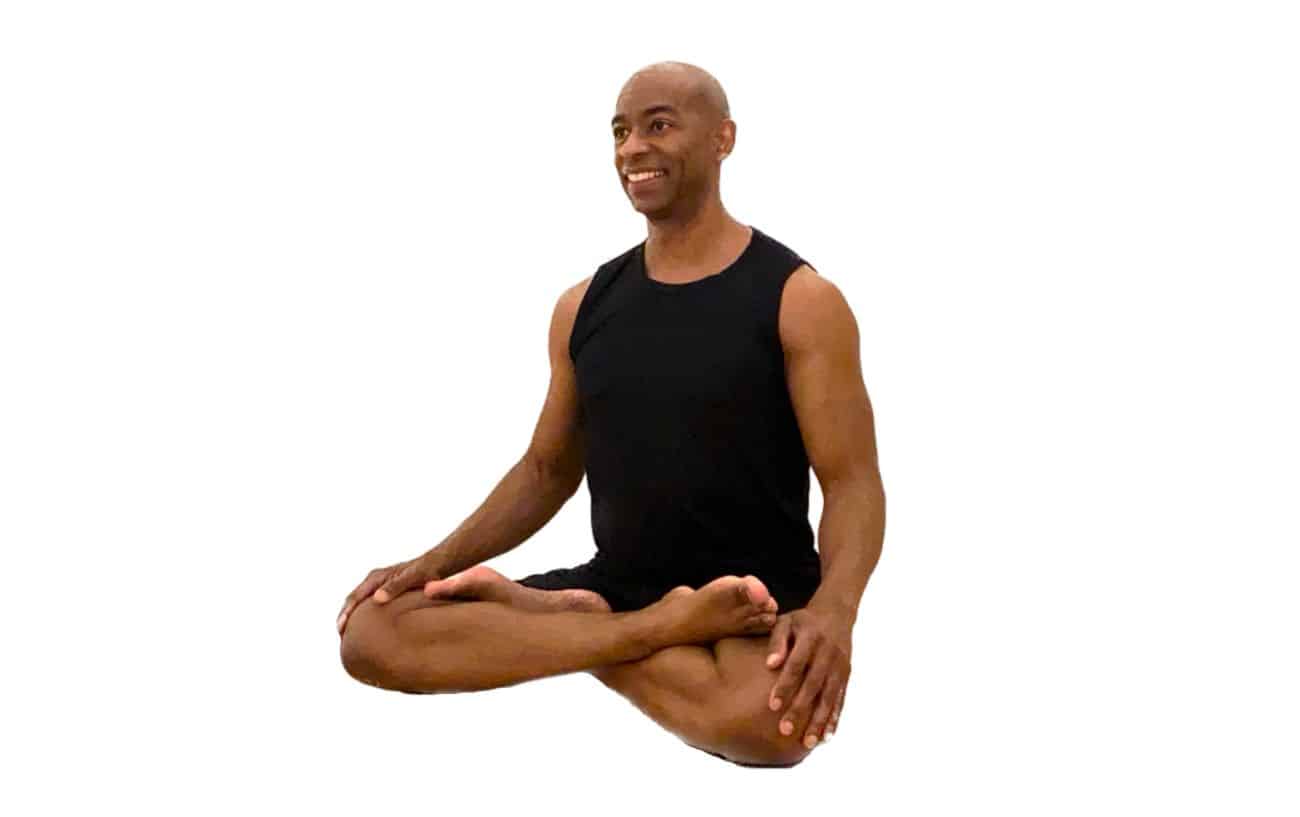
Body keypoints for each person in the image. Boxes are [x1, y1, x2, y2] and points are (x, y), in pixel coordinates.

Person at [336, 61, 885, 768]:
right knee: (374, 632)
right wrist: (432, 562)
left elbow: (853, 482)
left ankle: (578, 630)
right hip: (621, 582)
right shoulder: (582, 306)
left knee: (774, 728)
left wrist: (834, 612)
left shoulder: (800, 299)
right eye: (621, 132)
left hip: (757, 599)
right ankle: (641, 627)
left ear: (724, 139)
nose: (632, 148)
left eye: (658, 124)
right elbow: (546, 468)